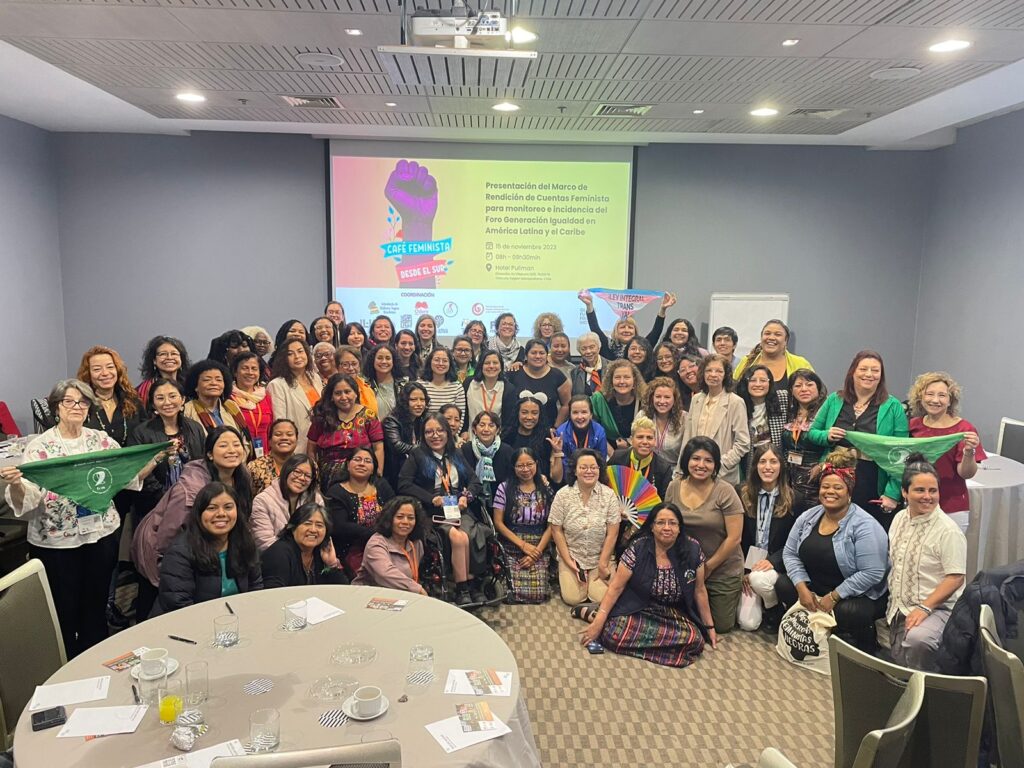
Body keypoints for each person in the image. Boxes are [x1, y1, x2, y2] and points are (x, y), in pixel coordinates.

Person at [1, 379, 159, 657]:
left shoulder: (100, 441)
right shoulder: (40, 447)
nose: (77, 406)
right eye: (69, 401)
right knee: (65, 605)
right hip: (57, 542)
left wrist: (153, 457)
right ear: (56, 407)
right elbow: (30, 498)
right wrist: (15, 483)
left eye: (83, 402)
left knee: (96, 601)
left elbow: (123, 477)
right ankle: (67, 659)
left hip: (100, 534)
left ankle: (95, 655)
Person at [772, 449, 889, 650]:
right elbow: (790, 553)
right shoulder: (808, 517)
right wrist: (802, 588)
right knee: (783, 584)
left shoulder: (865, 525)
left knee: (850, 612)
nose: (830, 492)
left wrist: (835, 596)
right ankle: (816, 626)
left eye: (838, 487)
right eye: (825, 486)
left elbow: (873, 572)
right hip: (815, 586)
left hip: (853, 595)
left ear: (849, 491)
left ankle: (860, 637)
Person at [132, 426, 253, 618]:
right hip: (163, 553)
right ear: (209, 454)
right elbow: (166, 538)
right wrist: (175, 569)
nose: (231, 450)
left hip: (207, 551)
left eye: (236, 444)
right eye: (223, 445)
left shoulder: (242, 479)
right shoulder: (189, 490)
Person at [577, 503, 715, 667]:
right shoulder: (638, 548)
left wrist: (710, 627)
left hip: (674, 612)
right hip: (639, 607)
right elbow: (616, 587)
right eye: (660, 522)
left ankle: (595, 613)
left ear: (679, 528)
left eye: (672, 523)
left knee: (695, 640)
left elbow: (699, 591)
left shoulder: (692, 549)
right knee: (611, 633)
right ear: (651, 526)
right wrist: (599, 623)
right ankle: (598, 615)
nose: (667, 528)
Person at [808, 350, 909, 529]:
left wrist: (892, 493)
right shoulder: (834, 400)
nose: (869, 374)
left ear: (881, 375)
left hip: (872, 479)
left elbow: (901, 453)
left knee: (867, 533)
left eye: (875, 370)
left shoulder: (893, 407)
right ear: (853, 371)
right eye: (863, 369)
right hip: (835, 476)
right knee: (832, 529)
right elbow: (812, 432)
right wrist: (827, 436)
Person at [886, 454, 967, 670]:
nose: (927, 497)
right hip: (902, 603)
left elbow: (956, 577)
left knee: (917, 640)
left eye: (933, 491)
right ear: (905, 492)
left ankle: (927, 694)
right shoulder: (899, 519)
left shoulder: (948, 531)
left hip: (938, 607)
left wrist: (924, 607)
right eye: (920, 490)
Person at [664, 437, 744, 633]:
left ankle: (741, 595)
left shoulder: (725, 491)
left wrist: (707, 568)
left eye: (708, 460)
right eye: (695, 459)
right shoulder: (674, 486)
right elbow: (667, 526)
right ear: (686, 461)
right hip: (684, 565)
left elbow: (735, 538)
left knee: (721, 625)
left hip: (720, 569)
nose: (701, 465)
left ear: (715, 464)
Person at [397, 415, 479, 605]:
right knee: (459, 538)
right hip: (431, 511)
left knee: (472, 535)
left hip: (458, 509)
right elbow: (403, 484)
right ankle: (463, 588)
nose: (435, 435)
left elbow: (475, 481)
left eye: (439, 430)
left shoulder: (456, 454)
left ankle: (473, 581)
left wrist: (467, 497)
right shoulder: (418, 455)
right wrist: (431, 498)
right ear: (423, 435)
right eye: (429, 431)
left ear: (447, 432)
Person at [152, 483, 262, 616]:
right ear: (199, 514)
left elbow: (256, 588)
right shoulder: (180, 552)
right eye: (211, 508)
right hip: (191, 625)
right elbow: (179, 606)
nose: (221, 514)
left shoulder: (245, 542)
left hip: (236, 620)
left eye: (228, 507)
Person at [907, 372, 985, 533]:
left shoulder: (964, 430)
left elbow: (966, 474)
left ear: (950, 400)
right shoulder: (912, 426)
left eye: (942, 395)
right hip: (917, 505)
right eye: (929, 394)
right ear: (920, 397)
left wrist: (969, 452)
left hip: (951, 508)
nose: (935, 400)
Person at [549, 449, 621, 605]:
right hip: (573, 556)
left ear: (599, 470)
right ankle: (576, 578)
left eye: (593, 467)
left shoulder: (609, 495)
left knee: (601, 597)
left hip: (600, 556)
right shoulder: (562, 495)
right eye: (583, 467)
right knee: (573, 598)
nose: (589, 471)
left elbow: (612, 534)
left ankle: (593, 582)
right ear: (575, 470)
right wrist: (568, 561)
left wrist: (603, 564)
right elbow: (556, 530)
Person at [738, 444, 796, 632]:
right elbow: (735, 537)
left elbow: (796, 543)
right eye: (762, 462)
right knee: (748, 624)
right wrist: (743, 571)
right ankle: (764, 601)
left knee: (760, 580)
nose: (768, 467)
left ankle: (774, 607)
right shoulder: (741, 493)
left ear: (781, 466)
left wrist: (773, 561)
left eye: (773, 461)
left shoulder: (795, 499)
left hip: (775, 566)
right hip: (747, 566)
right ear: (755, 466)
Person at [129, 379, 206, 520]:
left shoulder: (195, 428)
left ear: (182, 400)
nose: (167, 402)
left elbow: (201, 464)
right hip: (154, 507)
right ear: (153, 404)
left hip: (193, 501)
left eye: (172, 396)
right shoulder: (141, 432)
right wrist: (169, 497)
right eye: (160, 398)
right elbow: (139, 474)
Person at [493, 448, 555, 604]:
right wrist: (522, 545)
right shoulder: (504, 488)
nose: (525, 469)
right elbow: (498, 523)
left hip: (539, 544)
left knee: (539, 594)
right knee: (511, 592)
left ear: (537, 464)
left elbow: (552, 525)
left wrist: (536, 553)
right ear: (513, 467)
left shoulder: (546, 489)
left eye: (529, 464)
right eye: (520, 466)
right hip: (512, 543)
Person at [324, 447, 395, 577]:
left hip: (386, 543)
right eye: (357, 459)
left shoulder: (381, 485)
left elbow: (394, 511)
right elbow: (340, 526)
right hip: (351, 548)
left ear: (373, 468)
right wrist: (376, 535)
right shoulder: (336, 491)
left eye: (368, 461)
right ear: (348, 465)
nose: (362, 463)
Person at [680, 354, 749, 485]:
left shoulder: (735, 402)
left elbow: (743, 443)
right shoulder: (696, 399)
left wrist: (718, 465)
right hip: (694, 471)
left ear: (726, 375)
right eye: (709, 370)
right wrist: (680, 470)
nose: (713, 374)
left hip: (723, 476)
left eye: (719, 371)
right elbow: (687, 438)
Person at [307, 373, 384, 488]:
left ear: (355, 393)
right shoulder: (323, 416)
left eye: (347, 392)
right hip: (327, 479)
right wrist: (313, 475)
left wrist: (378, 473)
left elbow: (378, 447)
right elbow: (311, 448)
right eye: (338, 393)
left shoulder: (368, 416)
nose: (343, 397)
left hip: (361, 475)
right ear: (331, 397)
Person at [352, 496, 429, 595]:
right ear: (389, 519)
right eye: (400, 517)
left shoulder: (416, 543)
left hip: (401, 595)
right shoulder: (376, 543)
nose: (406, 522)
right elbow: (385, 573)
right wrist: (417, 589)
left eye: (411, 518)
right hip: (369, 595)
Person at [261, 502, 348, 588]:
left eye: (319, 525)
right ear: (293, 528)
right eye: (307, 523)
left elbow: (343, 590)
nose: (313, 530)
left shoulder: (319, 552)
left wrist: (331, 564)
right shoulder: (279, 554)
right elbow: (273, 594)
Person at [250, 454, 321, 551]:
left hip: (308, 557)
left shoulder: (316, 499)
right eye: (297, 472)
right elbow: (264, 543)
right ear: (286, 471)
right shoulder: (262, 501)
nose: (302, 478)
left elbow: (322, 534)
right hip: (276, 559)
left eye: (308, 476)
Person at [781, 369, 828, 512]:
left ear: (818, 388)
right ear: (791, 390)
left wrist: (822, 465)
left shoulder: (826, 412)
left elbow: (835, 444)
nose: (804, 389)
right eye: (798, 385)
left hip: (815, 476)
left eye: (809, 385)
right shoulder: (789, 412)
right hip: (789, 476)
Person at [182, 359, 253, 455]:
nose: (213, 383)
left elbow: (244, 440)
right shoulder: (187, 410)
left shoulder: (232, 406)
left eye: (219, 379)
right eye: (207, 380)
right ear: (195, 386)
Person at [78, 345, 144, 446]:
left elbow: (144, 435)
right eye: (97, 369)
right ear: (88, 374)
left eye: (110, 367)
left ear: (118, 370)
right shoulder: (80, 405)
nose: (105, 373)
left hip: (131, 461)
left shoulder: (133, 401)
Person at [266, 338, 323, 454]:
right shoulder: (277, 385)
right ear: (284, 359)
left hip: (321, 446)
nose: (297, 356)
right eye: (290, 354)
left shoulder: (315, 378)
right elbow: (280, 423)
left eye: (300, 351)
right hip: (297, 450)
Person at [579, 291, 675, 359]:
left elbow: (656, 332)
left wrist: (663, 309)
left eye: (630, 327)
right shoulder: (607, 346)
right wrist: (589, 306)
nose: (626, 330)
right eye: (622, 327)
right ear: (616, 331)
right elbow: (595, 329)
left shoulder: (642, 347)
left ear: (635, 332)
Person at [736, 364, 790, 474]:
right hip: (749, 458)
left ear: (770, 383)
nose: (758, 384)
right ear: (746, 383)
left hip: (776, 455)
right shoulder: (738, 403)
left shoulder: (782, 397)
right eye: (753, 380)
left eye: (763, 380)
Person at [504, 338, 570, 428]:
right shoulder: (514, 373)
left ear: (547, 355)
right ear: (526, 355)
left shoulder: (557, 375)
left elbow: (566, 404)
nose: (538, 356)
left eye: (542, 353)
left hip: (547, 431)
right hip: (516, 431)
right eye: (533, 353)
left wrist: (556, 427)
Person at [500, 394, 564, 484]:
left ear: (540, 415)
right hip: (511, 487)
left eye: (534, 413)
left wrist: (557, 452)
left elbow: (557, 479)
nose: (529, 417)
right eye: (524, 412)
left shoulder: (548, 438)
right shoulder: (507, 436)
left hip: (542, 487)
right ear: (517, 413)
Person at [734, 320, 813, 391]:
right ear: (761, 338)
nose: (771, 337)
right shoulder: (747, 361)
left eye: (778, 334)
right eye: (767, 333)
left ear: (786, 340)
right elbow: (732, 390)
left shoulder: (801, 363)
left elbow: (813, 392)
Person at [608, 415, 675, 497]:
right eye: (640, 437)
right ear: (631, 440)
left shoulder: (663, 468)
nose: (645, 442)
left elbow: (664, 502)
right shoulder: (617, 458)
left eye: (649, 438)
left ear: (654, 441)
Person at [460, 410, 514, 506]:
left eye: (491, 425)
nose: (486, 429)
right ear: (474, 429)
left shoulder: (506, 450)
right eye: (481, 425)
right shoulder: (465, 449)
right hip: (469, 500)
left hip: (500, 502)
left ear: (497, 430)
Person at [382, 382, 429, 489]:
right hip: (395, 473)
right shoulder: (391, 420)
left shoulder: (421, 419)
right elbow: (397, 446)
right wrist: (424, 449)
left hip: (415, 470)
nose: (419, 404)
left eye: (422, 400)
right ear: (404, 401)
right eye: (413, 400)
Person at [590, 359, 645, 448]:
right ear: (611, 381)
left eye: (627, 377)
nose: (622, 381)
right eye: (617, 377)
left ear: (634, 380)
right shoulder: (598, 400)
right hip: (605, 450)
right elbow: (593, 431)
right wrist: (613, 455)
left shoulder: (644, 401)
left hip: (637, 450)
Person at [555, 395, 611, 480]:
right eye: (575, 412)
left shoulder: (599, 431)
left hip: (593, 477)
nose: (580, 417)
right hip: (569, 479)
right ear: (570, 414)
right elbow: (564, 464)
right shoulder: (561, 433)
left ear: (591, 414)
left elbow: (601, 462)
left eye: (584, 412)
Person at [230, 352, 274, 451]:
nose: (250, 372)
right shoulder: (228, 398)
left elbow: (271, 428)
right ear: (235, 372)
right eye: (245, 368)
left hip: (264, 457)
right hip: (239, 454)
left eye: (254, 369)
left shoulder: (265, 396)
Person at [638, 375, 685, 467]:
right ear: (652, 398)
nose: (662, 401)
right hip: (647, 468)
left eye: (667, 397)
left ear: (674, 399)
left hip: (674, 471)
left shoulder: (684, 419)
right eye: (658, 396)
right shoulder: (642, 415)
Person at [247, 418, 298, 495]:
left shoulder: (306, 466)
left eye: (289, 434)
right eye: (278, 434)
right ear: (269, 441)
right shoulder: (254, 467)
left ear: (296, 440)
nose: (284, 438)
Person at [137, 336, 190, 407]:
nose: (169, 357)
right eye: (163, 354)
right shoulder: (143, 391)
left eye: (174, 354)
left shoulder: (190, 387)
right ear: (154, 361)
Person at [419, 348, 467, 425]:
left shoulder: (457, 387)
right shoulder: (420, 385)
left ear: (450, 364)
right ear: (430, 362)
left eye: (445, 361)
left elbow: (460, 419)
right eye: (437, 360)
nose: (441, 363)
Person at [363, 344, 404, 422]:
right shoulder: (365, 385)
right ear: (373, 361)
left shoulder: (403, 385)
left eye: (388, 358)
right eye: (380, 358)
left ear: (393, 361)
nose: (384, 361)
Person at [334, 345, 379, 415]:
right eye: (345, 364)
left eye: (354, 364)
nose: (351, 368)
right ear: (337, 366)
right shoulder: (332, 389)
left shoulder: (366, 386)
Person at [466, 349, 506, 426]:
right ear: (481, 366)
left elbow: (508, 422)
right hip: (470, 436)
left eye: (495, 363)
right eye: (487, 363)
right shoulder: (469, 383)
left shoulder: (508, 389)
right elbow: (464, 413)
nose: (491, 366)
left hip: (496, 437)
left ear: (501, 366)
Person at [569, 331, 606, 397]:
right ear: (579, 351)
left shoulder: (611, 367)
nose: (588, 351)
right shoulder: (574, 373)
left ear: (599, 347)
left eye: (592, 347)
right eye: (583, 349)